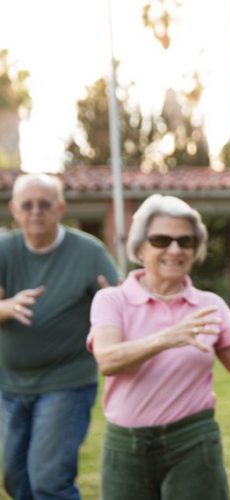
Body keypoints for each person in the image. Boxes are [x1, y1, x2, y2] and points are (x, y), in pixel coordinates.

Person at [87, 194, 230, 499]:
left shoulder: (210, 305)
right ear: (140, 247)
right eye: (161, 240)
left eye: (185, 241)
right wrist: (166, 338)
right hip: (125, 446)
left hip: (193, 441)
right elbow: (107, 360)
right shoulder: (112, 300)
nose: (174, 249)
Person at [0, 173, 118, 499]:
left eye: (45, 204)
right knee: (15, 479)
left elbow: (118, 301)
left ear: (61, 208)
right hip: (10, 385)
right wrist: (6, 307)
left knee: (49, 481)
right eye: (27, 205)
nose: (36, 211)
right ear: (15, 210)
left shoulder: (89, 252)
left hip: (66, 382)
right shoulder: (4, 250)